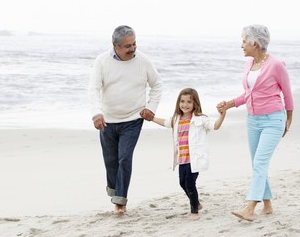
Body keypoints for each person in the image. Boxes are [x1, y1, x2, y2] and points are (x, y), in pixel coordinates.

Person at [217, 24, 294, 222]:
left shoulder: (276, 64)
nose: (242, 45)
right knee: (257, 164)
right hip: (253, 120)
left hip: (273, 120)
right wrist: (230, 104)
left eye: (244, 41)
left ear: (255, 43)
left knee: (260, 162)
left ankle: (250, 207)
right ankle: (267, 205)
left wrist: (289, 118)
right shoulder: (249, 64)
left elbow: (287, 92)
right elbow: (248, 94)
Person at [88, 25, 163, 215]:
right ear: (115, 46)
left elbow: (157, 85)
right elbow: (94, 89)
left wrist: (150, 108)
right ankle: (115, 190)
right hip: (108, 120)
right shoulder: (102, 61)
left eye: (134, 44)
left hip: (133, 119)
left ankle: (120, 202)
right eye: (127, 46)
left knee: (124, 158)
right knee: (111, 160)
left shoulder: (143, 61)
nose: (132, 48)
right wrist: (96, 113)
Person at [152, 88, 226, 220]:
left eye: (189, 102)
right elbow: (165, 123)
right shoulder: (176, 119)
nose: (185, 105)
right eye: (182, 101)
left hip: (195, 158)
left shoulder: (200, 119)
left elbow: (215, 126)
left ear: (195, 104)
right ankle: (196, 203)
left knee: (190, 184)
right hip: (182, 158)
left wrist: (222, 115)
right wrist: (151, 118)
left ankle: (194, 211)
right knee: (182, 183)